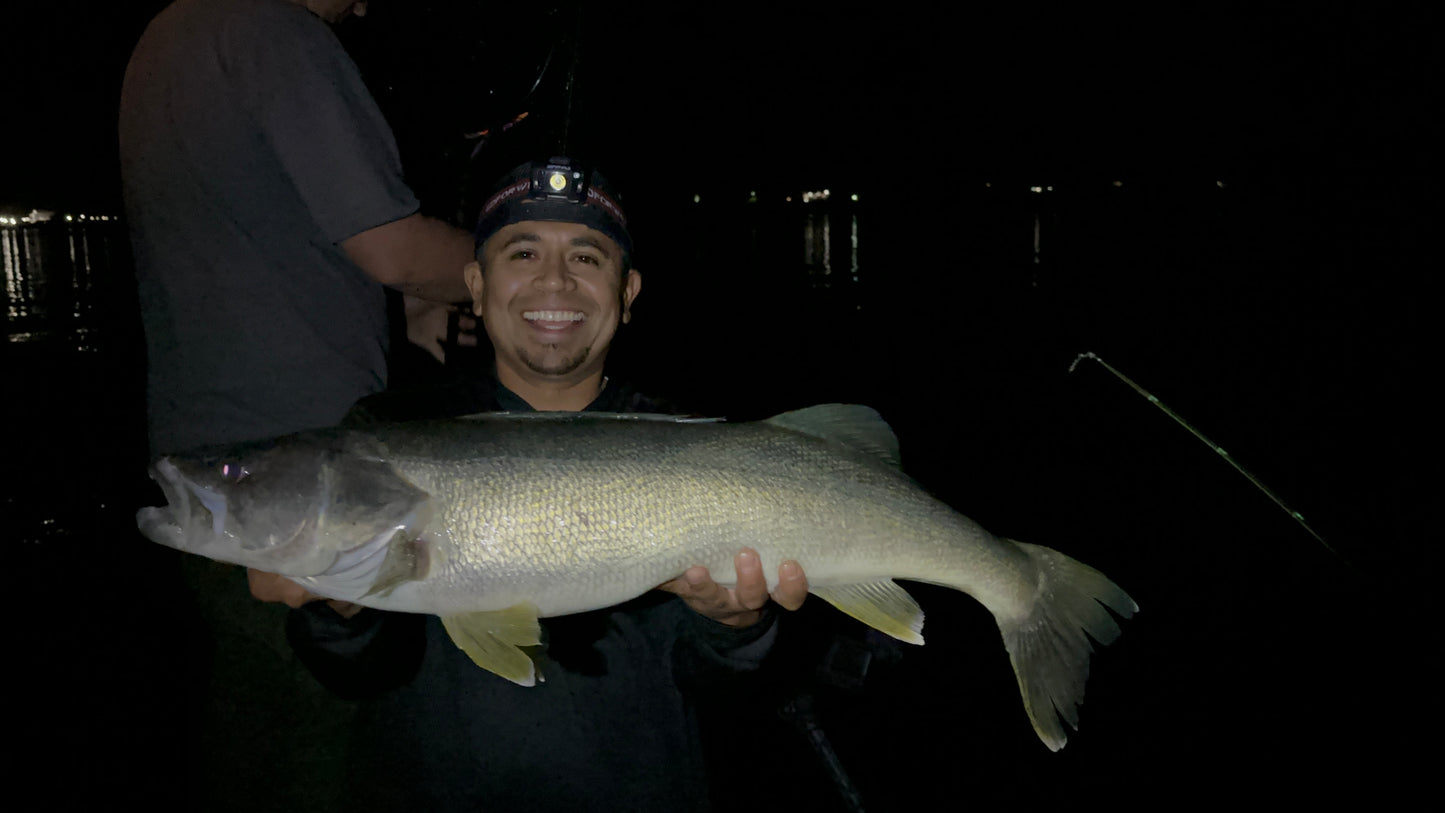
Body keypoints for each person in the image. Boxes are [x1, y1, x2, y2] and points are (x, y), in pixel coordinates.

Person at [253, 157, 816, 811]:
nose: (555, 280)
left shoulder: (693, 445)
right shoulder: (385, 431)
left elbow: (727, 694)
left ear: (626, 293)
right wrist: (336, 611)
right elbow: (358, 673)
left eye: (587, 257)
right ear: (476, 284)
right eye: (522, 252)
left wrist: (737, 627)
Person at [119, 1, 475, 808]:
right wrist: (511, 266)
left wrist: (408, 315)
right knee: (338, 749)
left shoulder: (167, 39)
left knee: (258, 730)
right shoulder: (275, 29)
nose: (359, 6)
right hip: (297, 483)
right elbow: (392, 246)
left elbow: (263, 239)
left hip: (214, 466)